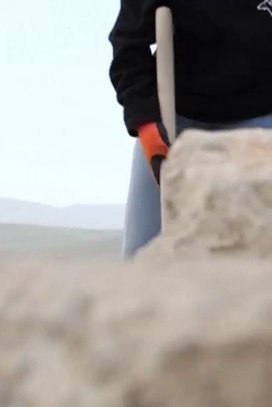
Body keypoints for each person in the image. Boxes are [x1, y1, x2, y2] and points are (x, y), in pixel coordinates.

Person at [109, 0, 272, 258]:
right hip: (174, 121)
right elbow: (128, 46)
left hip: (261, 124)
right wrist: (147, 127)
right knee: (139, 254)